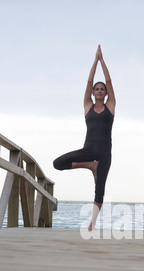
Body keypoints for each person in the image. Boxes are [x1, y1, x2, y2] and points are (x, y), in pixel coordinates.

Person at [53, 45, 116, 230]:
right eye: (96, 89)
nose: (99, 90)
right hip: (87, 150)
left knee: (100, 189)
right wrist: (94, 61)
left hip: (104, 152)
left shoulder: (110, 107)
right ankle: (90, 166)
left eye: (102, 89)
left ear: (105, 94)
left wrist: (102, 61)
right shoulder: (87, 106)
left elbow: (109, 82)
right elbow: (88, 81)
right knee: (58, 163)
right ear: (92, 92)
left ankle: (92, 223)